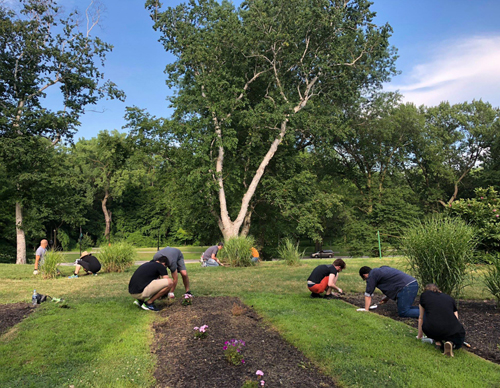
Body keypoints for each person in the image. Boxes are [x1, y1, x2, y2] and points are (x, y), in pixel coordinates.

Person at [417, 284, 466, 357]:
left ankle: (438, 342)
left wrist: (419, 336)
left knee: (434, 327)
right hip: (451, 329)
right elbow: (456, 318)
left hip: (431, 329)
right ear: (439, 290)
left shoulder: (424, 296)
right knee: (459, 339)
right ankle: (451, 344)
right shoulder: (449, 298)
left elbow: (421, 318)